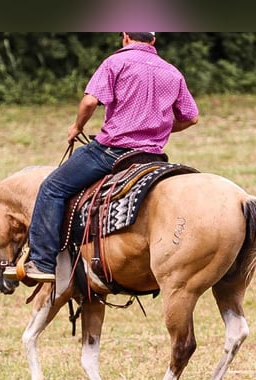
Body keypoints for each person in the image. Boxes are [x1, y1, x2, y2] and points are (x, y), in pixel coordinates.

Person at [17, 32, 200, 283]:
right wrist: (160, 128)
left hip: (112, 151)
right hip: (152, 156)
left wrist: (76, 127)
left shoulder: (116, 62)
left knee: (52, 188)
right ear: (152, 41)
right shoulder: (171, 72)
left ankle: (42, 262)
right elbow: (191, 117)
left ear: (125, 36)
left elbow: (90, 102)